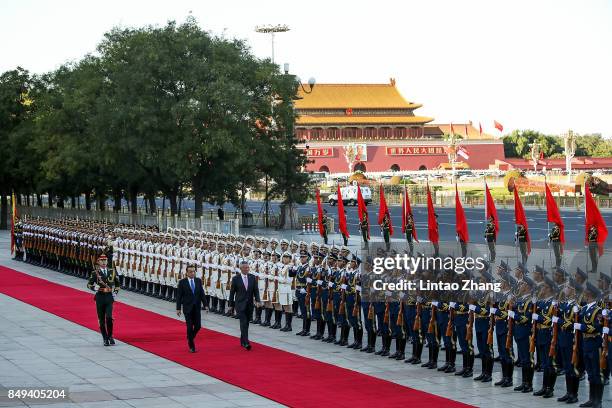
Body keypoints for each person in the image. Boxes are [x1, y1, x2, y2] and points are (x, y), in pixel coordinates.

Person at [87, 254, 120, 346]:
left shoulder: (112, 271)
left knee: (109, 317)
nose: (104, 262)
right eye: (102, 260)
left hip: (109, 297)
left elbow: (117, 284)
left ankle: (110, 336)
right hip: (100, 297)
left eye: (105, 260)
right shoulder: (95, 273)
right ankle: (105, 338)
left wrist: (115, 292)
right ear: (98, 262)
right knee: (101, 320)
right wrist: (95, 288)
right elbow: (89, 284)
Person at [229, 260, 261, 350]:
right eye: (245, 268)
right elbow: (232, 292)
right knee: (243, 322)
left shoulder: (252, 277)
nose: (247, 269)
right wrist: (231, 305)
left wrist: (258, 300)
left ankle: (242, 340)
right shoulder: (236, 278)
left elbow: (256, 290)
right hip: (240, 304)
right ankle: (246, 342)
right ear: (241, 269)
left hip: (249, 304)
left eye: (248, 268)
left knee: (246, 323)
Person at [176, 264, 205, 352]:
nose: (192, 273)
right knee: (189, 326)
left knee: (198, 326)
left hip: (196, 307)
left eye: (193, 272)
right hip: (187, 308)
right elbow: (179, 296)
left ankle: (190, 337)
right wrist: (178, 308)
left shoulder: (198, 281)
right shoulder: (182, 282)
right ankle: (191, 346)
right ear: (187, 273)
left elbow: (202, 293)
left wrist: (206, 304)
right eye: (190, 272)